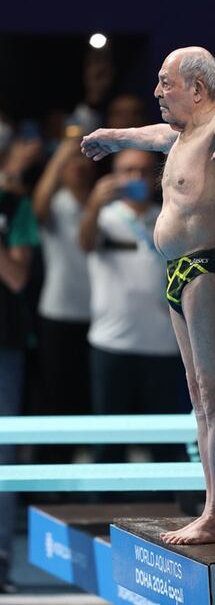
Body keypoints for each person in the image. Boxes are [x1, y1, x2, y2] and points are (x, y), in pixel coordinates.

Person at [81, 46, 215, 545]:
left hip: (210, 267)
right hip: (182, 270)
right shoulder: (182, 135)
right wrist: (111, 136)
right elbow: (149, 134)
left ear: (197, 89)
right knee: (199, 397)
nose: (157, 91)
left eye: (165, 82)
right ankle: (212, 508)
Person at [78, 149, 188, 463]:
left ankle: (170, 497)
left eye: (142, 171)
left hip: (164, 344)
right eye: (127, 170)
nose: (135, 177)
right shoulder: (103, 216)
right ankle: (103, 496)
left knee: (165, 445)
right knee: (108, 444)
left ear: (155, 177)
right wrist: (93, 205)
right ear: (115, 175)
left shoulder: (169, 217)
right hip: (111, 342)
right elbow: (84, 244)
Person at [31, 128, 96, 451]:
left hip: (98, 314)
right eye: (71, 162)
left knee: (89, 394)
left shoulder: (102, 201)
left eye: (82, 160)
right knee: (58, 393)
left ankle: (86, 461)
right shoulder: (55, 204)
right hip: (58, 312)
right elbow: (37, 206)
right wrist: (64, 151)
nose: (78, 166)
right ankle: (54, 461)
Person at [0, 165, 38, 592]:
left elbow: (16, 276)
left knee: (2, 453)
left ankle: (1, 557)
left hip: (4, 344)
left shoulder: (15, 206)